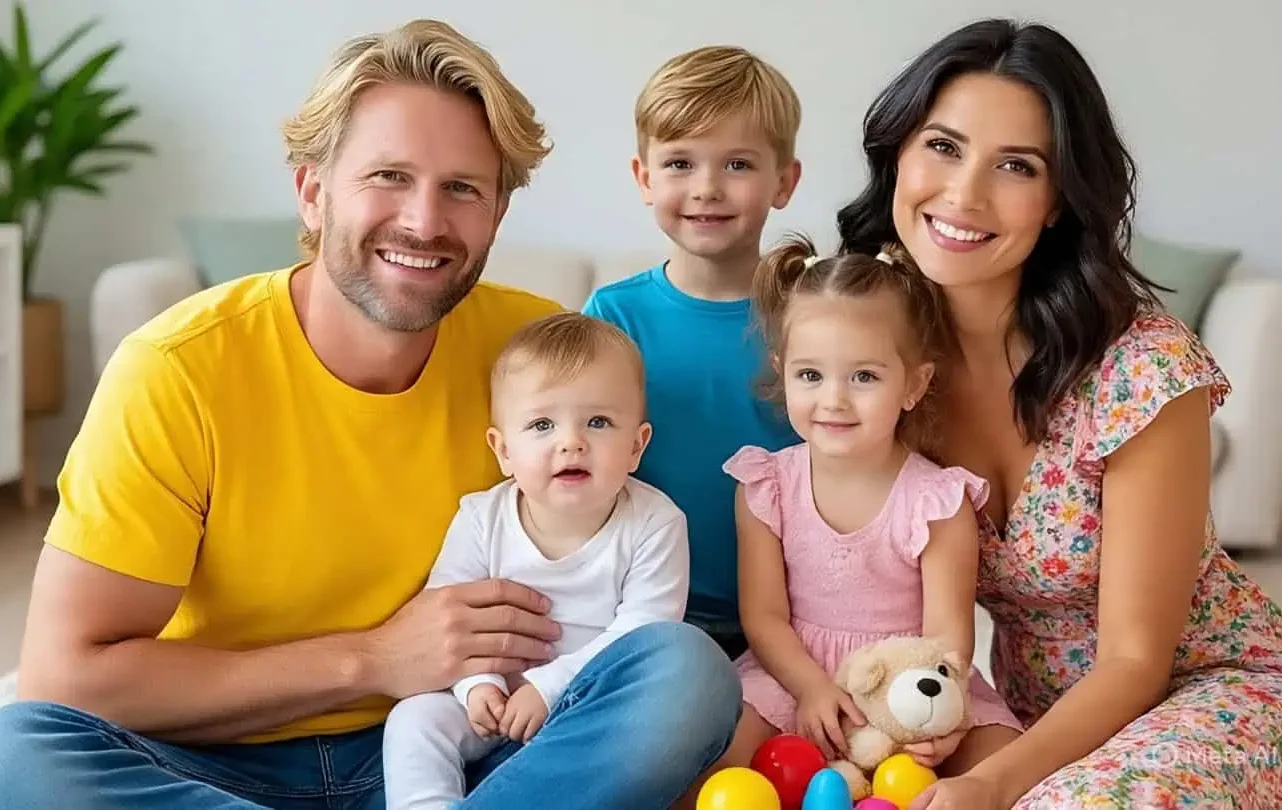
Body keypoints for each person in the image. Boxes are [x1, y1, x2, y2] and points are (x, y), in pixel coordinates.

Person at [0, 19, 741, 810]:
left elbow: (637, 558)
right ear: (313, 193)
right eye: (388, 175)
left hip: (472, 755)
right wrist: (373, 659)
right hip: (204, 761)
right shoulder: (178, 369)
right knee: (19, 752)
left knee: (685, 670)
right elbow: (67, 674)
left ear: (496, 214)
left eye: (462, 187)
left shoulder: (529, 357)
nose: (424, 222)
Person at [834, 18, 1282, 810]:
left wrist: (992, 782)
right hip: (1030, 720)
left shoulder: (1142, 368)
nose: (964, 194)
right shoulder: (878, 370)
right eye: (943, 146)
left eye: (1016, 165)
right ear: (897, 154)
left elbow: (1136, 662)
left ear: (1056, 203)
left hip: (1211, 693)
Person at [706, 234, 1023, 794]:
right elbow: (764, 617)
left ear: (914, 385)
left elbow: (949, 637)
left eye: (864, 377)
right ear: (782, 372)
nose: (834, 399)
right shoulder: (766, 485)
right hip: (795, 672)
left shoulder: (937, 501)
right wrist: (811, 689)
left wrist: (936, 714)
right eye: (811, 375)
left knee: (1011, 766)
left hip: (912, 678)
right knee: (719, 770)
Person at [381, 312, 691, 809]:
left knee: (672, 688)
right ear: (503, 450)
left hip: (590, 710)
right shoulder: (482, 518)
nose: (571, 441)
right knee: (415, 720)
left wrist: (549, 691)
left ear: (637, 445)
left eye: (598, 422)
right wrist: (475, 686)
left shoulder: (656, 522)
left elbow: (643, 634)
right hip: (491, 704)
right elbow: (447, 617)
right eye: (542, 424)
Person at [582, 45, 804, 660]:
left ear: (784, 181)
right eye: (679, 163)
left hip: (798, 617)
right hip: (647, 613)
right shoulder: (612, 317)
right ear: (644, 179)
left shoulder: (815, 316)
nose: (706, 188)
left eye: (738, 164)